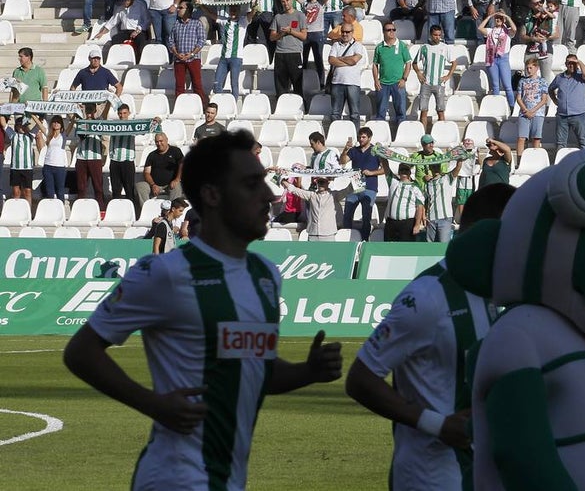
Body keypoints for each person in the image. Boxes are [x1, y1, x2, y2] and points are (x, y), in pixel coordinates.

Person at [64, 131, 344, 491]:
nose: (269, 196)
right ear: (212, 195)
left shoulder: (265, 276)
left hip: (228, 478)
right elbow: (81, 351)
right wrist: (154, 404)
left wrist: (308, 371)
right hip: (175, 478)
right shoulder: (164, 273)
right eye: (251, 185)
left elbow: (254, 370)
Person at [344, 182, 514, 490]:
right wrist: (437, 424)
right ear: (481, 231)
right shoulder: (426, 297)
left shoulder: (494, 291)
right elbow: (359, 379)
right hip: (428, 478)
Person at [414, 24, 456, 132]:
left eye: (439, 35)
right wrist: (418, 73)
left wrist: (448, 76)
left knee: (440, 110)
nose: (437, 37)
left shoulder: (445, 47)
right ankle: (423, 134)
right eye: (435, 35)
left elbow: (454, 62)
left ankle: (442, 133)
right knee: (424, 110)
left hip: (439, 83)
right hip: (426, 83)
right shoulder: (424, 47)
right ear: (431, 35)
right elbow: (414, 63)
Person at [549, 54, 585, 150]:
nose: (571, 65)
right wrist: (555, 101)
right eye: (569, 63)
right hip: (562, 114)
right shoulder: (559, 77)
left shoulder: (581, 76)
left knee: (583, 142)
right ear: (566, 64)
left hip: (578, 114)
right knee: (560, 143)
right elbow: (550, 89)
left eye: (573, 63)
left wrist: (578, 61)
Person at [384, 161, 427, 242]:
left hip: (407, 223)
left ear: (409, 172)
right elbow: (385, 166)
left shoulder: (415, 188)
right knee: (388, 248)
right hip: (391, 222)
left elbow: (419, 207)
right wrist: (381, 153)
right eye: (402, 169)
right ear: (399, 172)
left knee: (406, 249)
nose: (404, 171)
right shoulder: (393, 182)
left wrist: (417, 225)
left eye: (406, 170)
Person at [516, 56, 549, 157]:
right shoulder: (522, 81)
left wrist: (533, 111)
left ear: (536, 68)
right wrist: (526, 110)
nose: (528, 70)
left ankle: (536, 158)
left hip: (538, 113)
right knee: (522, 137)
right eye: (527, 68)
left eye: (531, 68)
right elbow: (519, 98)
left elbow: (544, 99)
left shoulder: (542, 81)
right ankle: (520, 160)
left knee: (536, 138)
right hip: (524, 113)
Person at [136, 132, 184, 204]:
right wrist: (153, 185)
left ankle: (172, 211)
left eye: (161, 141)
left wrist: (177, 179)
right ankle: (146, 210)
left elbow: (182, 165)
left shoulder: (175, 151)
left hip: (170, 185)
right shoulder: (152, 155)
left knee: (176, 187)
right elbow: (146, 172)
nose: (159, 143)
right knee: (140, 186)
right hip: (154, 185)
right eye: (157, 142)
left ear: (166, 140)